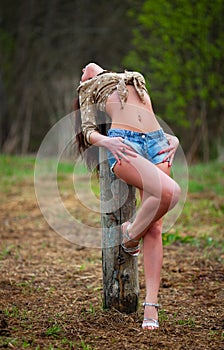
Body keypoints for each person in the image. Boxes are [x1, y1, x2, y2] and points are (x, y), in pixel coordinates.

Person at [75, 62, 181, 331]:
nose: (85, 68)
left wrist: (173, 138)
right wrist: (106, 140)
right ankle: (131, 234)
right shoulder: (88, 88)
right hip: (126, 145)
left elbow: (147, 113)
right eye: (82, 72)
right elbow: (88, 130)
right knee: (173, 192)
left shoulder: (130, 77)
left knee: (155, 226)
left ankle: (151, 305)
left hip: (158, 141)